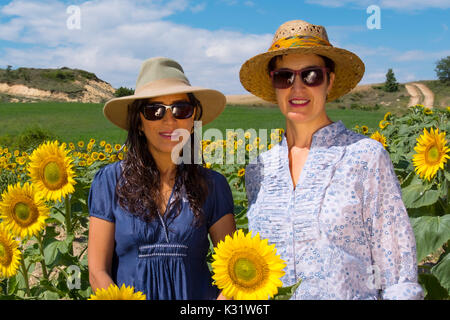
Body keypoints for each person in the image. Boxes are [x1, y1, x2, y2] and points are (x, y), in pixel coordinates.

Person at [239, 20, 423, 300]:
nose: (297, 87)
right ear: (273, 84)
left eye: (311, 75)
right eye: (284, 77)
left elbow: (398, 276)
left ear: (330, 80)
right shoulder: (258, 169)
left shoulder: (366, 157)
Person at [87, 57, 236, 300]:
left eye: (181, 109)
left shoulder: (213, 185)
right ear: (138, 122)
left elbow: (233, 271)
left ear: (193, 119)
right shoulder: (109, 181)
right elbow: (97, 272)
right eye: (154, 111)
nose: (169, 120)